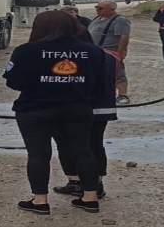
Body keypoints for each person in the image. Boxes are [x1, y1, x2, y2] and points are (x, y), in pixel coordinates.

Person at [3, 10, 108, 215]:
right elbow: (100, 85)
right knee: (83, 151)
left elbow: (13, 81)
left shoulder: (26, 51)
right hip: (78, 109)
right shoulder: (93, 51)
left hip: (35, 109)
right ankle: (90, 198)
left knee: (39, 154)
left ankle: (40, 201)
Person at [52, 24, 119, 199]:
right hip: (103, 106)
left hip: (76, 108)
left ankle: (75, 181)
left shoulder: (69, 57)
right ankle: (96, 184)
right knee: (95, 144)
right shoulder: (109, 56)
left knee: (66, 144)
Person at [88, 0, 132, 105]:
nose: (97, 10)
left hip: (111, 51)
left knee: (118, 72)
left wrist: (120, 53)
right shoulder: (96, 19)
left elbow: (124, 37)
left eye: (100, 8)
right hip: (96, 51)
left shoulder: (119, 20)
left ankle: (123, 95)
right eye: (96, 7)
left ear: (111, 9)